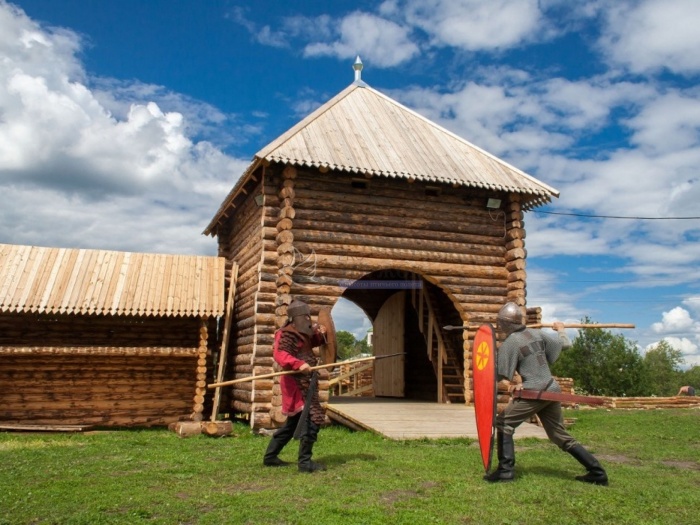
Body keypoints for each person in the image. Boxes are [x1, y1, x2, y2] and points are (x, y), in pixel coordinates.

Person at [484, 302, 608, 486]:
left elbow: (500, 375)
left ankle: (505, 471)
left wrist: (495, 372)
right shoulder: (537, 334)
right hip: (552, 388)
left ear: (505, 324)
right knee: (558, 434)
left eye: (500, 323)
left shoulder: (511, 343)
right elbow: (565, 344)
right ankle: (597, 472)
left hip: (537, 392)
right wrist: (561, 329)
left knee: (503, 423)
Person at [263, 299, 328, 473]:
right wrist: (298, 364)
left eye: (309, 316)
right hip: (296, 383)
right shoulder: (286, 333)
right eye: (304, 317)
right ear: (296, 317)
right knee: (312, 418)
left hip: (307, 382)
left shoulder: (302, 332)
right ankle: (305, 463)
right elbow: (281, 353)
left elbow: (312, 342)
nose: (308, 320)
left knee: (292, 424)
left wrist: (322, 334)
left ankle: (270, 457)